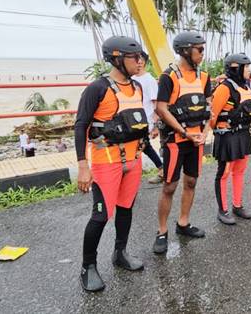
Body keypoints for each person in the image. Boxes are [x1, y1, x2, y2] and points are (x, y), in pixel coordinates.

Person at [74, 36, 149, 292]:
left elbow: (137, 124)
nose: (140, 61)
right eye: (134, 57)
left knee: (126, 208)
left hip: (133, 159)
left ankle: (120, 253)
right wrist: (83, 166)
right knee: (101, 215)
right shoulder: (97, 88)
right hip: (106, 161)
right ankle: (88, 266)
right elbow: (81, 125)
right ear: (117, 59)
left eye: (140, 56)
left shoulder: (137, 87)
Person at [154, 31, 212, 254]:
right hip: (176, 141)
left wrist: (205, 131)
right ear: (186, 50)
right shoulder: (169, 77)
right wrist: (184, 132)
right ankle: (161, 231)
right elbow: (161, 108)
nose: (202, 54)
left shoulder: (204, 77)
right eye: (200, 50)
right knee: (169, 186)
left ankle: (183, 223)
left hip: (196, 140)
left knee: (191, 182)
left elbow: (209, 106)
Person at [210, 53, 251, 224]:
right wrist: (220, 129)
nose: (249, 70)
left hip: (243, 134)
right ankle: (222, 210)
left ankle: (237, 205)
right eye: (247, 67)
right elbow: (212, 116)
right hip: (227, 136)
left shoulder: (246, 87)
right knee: (224, 173)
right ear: (236, 69)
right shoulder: (224, 88)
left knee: (239, 171)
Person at [131, 51, 164, 184]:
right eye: (135, 59)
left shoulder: (148, 80)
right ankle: (162, 169)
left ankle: (162, 169)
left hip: (145, 121)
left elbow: (156, 104)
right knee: (143, 146)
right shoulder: (131, 79)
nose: (138, 62)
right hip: (132, 120)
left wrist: (155, 126)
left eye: (140, 60)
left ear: (144, 62)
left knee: (142, 146)